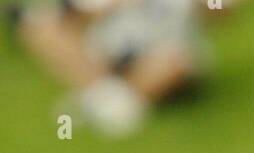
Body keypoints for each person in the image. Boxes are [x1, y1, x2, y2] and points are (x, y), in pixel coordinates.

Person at [11, 0, 218, 137]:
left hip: (164, 56)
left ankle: (103, 103)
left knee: (174, 62)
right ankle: (110, 98)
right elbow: (74, 16)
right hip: (108, 56)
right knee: (41, 28)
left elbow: (221, 13)